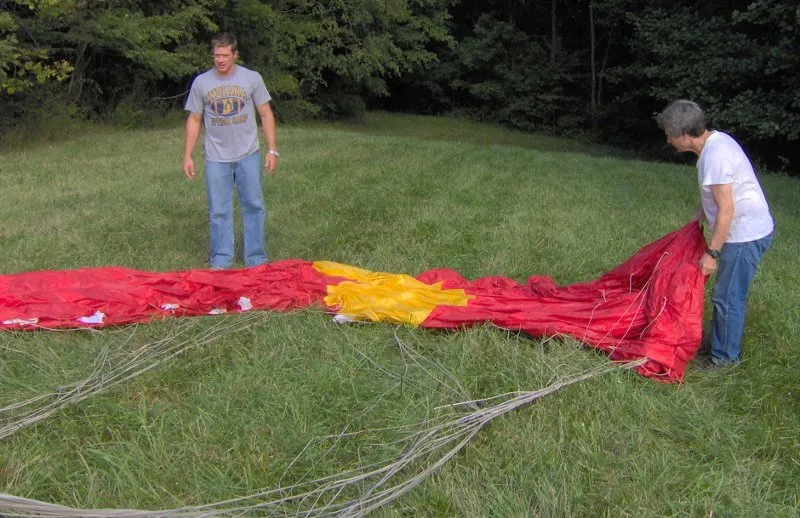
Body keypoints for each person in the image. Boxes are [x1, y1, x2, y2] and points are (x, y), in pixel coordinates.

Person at [657, 99, 775, 368]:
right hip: (742, 229)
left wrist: (712, 253)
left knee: (728, 296)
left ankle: (724, 360)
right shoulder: (713, 145)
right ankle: (720, 344)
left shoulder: (716, 156)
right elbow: (717, 193)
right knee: (725, 294)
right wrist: (699, 215)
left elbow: (726, 210)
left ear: (684, 134)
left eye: (669, 134)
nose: (668, 140)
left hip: (745, 234)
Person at [183, 33, 279, 269]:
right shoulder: (202, 83)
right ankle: (221, 258)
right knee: (219, 210)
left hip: (248, 153)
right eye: (217, 55)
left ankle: (255, 258)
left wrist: (272, 150)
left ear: (235, 55)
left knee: (254, 205)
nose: (221, 60)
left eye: (225, 55)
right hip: (216, 157)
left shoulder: (251, 78)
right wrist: (187, 155)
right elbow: (194, 119)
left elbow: (265, 114)